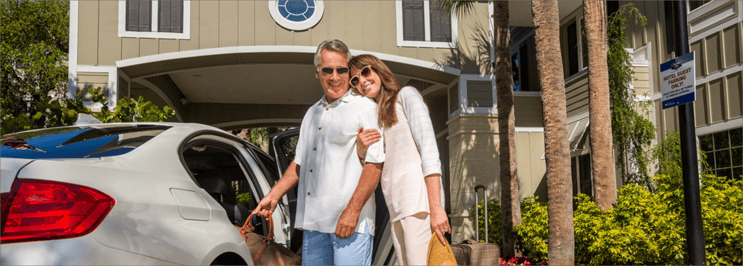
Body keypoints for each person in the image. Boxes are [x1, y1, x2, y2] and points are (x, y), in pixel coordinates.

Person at [250, 40, 385, 266]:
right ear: (317, 72)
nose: (335, 77)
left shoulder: (365, 107)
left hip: (350, 224)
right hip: (314, 226)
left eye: (341, 70)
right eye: (327, 70)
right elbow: (301, 163)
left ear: (348, 70)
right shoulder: (312, 113)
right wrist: (273, 196)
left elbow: (375, 164)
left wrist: (352, 212)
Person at [349, 54, 450, 265]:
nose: (362, 82)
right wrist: (361, 148)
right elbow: (373, 165)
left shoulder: (407, 95)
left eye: (365, 72)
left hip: (418, 204)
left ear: (378, 70)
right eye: (355, 80)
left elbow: (429, 150)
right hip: (396, 207)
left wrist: (437, 208)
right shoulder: (376, 116)